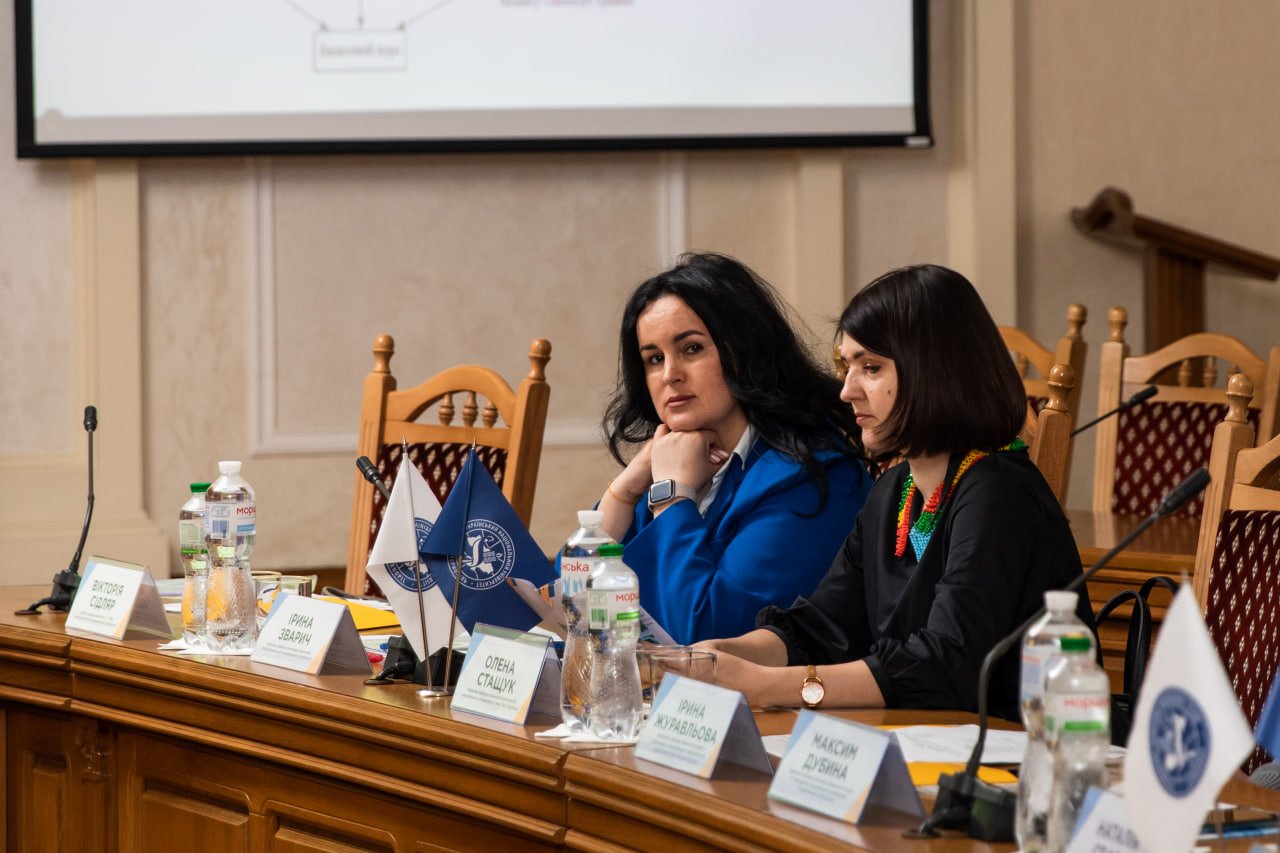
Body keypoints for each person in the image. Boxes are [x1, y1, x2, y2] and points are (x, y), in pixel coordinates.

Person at [699, 264, 1091, 718]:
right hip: (926, 738)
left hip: (1025, 748)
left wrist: (765, 685)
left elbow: (943, 665)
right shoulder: (895, 491)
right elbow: (823, 627)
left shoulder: (998, 491)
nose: (847, 391)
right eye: (847, 367)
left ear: (934, 371)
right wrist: (721, 654)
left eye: (870, 368)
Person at [593, 252, 872, 645]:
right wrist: (625, 489)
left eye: (691, 349)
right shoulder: (667, 459)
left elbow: (702, 640)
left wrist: (673, 497)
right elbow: (569, 604)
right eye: (654, 359)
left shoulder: (815, 475)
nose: (670, 374)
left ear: (743, 349)